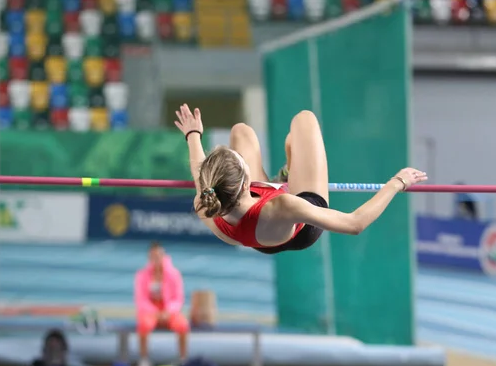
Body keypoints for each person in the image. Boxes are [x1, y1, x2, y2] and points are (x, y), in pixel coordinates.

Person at [174, 104, 427, 254]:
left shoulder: (207, 203)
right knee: (303, 121)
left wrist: (193, 134)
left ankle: (284, 177)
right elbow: (354, 224)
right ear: (245, 178)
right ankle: (288, 178)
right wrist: (396, 183)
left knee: (241, 131)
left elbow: (200, 170)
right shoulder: (284, 206)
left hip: (259, 236)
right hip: (299, 229)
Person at [134, 242, 190, 366]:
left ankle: (183, 359)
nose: (156, 259)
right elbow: (141, 299)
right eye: (153, 257)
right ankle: (144, 359)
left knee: (183, 325)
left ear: (164, 256)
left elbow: (178, 298)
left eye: (158, 256)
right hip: (150, 312)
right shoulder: (142, 275)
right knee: (143, 325)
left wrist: (168, 311)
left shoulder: (174, 274)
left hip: (169, 312)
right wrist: (155, 312)